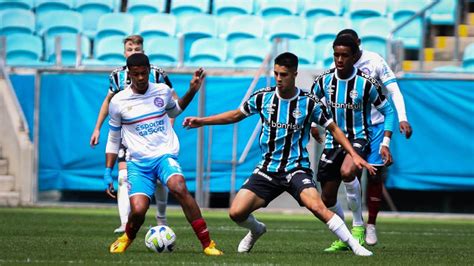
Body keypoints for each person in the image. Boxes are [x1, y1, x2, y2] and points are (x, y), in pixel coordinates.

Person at [183, 52, 375, 256]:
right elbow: (236, 115)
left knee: (317, 206)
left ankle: (356, 246)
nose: (278, 78)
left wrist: (353, 154)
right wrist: (202, 121)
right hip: (268, 169)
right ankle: (256, 229)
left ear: (294, 74)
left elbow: (334, 128)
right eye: (275, 73)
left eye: (283, 74)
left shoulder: (308, 102)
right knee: (236, 212)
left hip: (296, 169)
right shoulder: (263, 97)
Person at [104, 53, 223, 255]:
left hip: (164, 156)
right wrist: (108, 170)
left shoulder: (162, 90)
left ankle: (208, 244)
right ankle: (127, 237)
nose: (140, 78)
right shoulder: (118, 102)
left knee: (179, 186)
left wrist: (192, 91)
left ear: (149, 71)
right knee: (139, 210)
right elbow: (114, 138)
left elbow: (174, 111)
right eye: (136, 74)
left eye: (144, 73)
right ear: (129, 74)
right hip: (138, 163)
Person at [311, 29, 413, 246]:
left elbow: (393, 92)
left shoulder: (374, 63)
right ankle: (346, 235)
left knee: (364, 174)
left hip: (370, 128)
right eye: (336, 55)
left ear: (357, 47)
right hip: (339, 134)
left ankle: (368, 226)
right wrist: (312, 124)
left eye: (345, 54)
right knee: (327, 195)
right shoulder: (330, 75)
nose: (340, 59)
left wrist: (401, 119)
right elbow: (315, 100)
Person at [90, 35, 176, 233]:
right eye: (130, 49)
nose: (134, 51)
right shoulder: (116, 76)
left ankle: (161, 219)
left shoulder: (156, 74)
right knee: (122, 177)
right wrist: (97, 128)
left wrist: (168, 124)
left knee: (161, 178)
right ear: (124, 53)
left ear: (143, 51)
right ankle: (124, 221)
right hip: (128, 135)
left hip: (153, 135)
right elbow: (108, 101)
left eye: (137, 48)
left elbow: (172, 99)